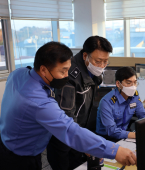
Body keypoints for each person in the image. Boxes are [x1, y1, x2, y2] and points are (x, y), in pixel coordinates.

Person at [0, 42, 136, 170]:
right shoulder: (39, 103)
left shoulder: (18, 74)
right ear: (43, 70)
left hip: (6, 142)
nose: (67, 76)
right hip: (21, 158)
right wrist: (115, 150)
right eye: (63, 71)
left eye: (68, 70)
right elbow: (70, 130)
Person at [47, 36, 113, 170]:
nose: (101, 66)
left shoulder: (92, 71)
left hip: (79, 134)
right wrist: (85, 143)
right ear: (85, 56)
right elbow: (67, 116)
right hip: (64, 139)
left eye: (105, 61)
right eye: (98, 61)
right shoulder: (69, 75)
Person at [96, 67, 145, 141]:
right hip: (107, 139)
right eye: (128, 83)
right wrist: (136, 135)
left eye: (135, 82)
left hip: (125, 135)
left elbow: (143, 115)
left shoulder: (135, 96)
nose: (133, 86)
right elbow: (112, 131)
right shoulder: (106, 102)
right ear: (118, 84)